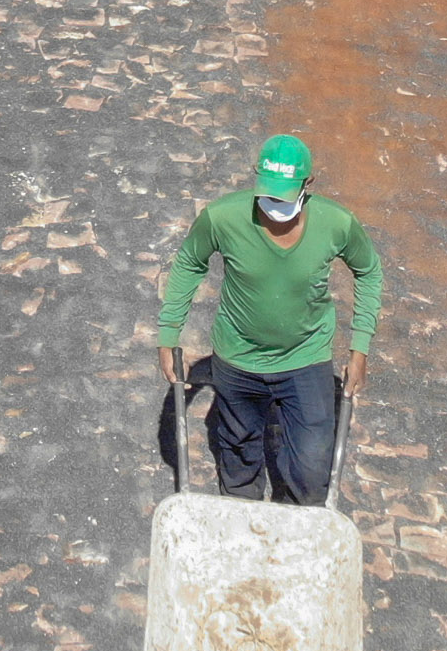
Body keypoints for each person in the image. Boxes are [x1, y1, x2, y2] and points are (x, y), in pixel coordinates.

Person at [156, 134, 382, 505]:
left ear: (309, 184)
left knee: (310, 468)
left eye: (285, 194)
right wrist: (169, 334)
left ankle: (295, 528)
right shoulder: (222, 217)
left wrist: (360, 348)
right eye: (269, 191)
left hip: (305, 358)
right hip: (238, 357)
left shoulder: (337, 224)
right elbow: (188, 263)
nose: (275, 203)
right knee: (238, 452)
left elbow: (369, 271)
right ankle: (243, 522)